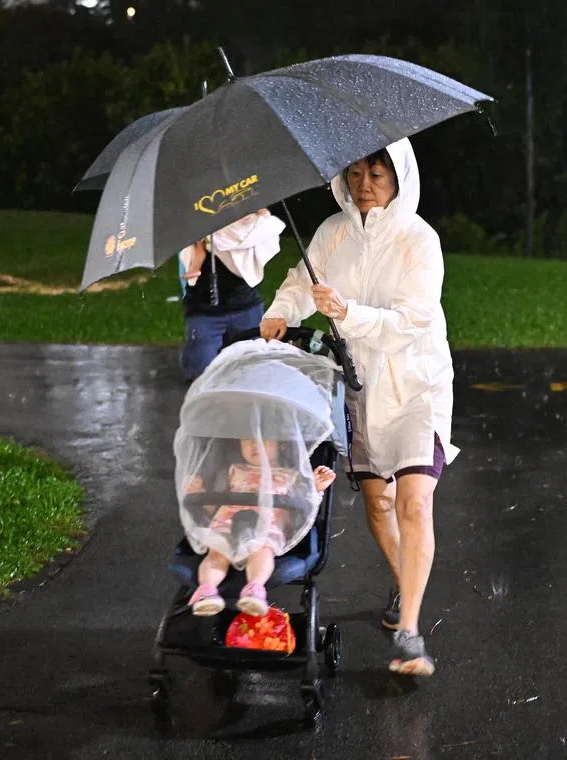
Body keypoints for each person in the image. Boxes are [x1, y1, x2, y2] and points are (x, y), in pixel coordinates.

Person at [258, 138, 458, 677]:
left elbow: (412, 321)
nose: (364, 184)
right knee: (378, 506)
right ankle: (403, 575)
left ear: (399, 178)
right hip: (361, 386)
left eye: (377, 173)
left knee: (414, 503)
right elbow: (303, 282)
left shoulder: (420, 240)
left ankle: (411, 632)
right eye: (354, 172)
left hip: (417, 383)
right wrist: (281, 312)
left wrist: (348, 312)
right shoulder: (331, 233)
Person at [183, 437, 336, 617]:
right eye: (247, 440)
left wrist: (315, 489)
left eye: (265, 441)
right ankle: (207, 590)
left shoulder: (291, 476)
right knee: (216, 553)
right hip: (227, 523)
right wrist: (200, 494)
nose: (254, 445)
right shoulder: (234, 470)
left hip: (266, 527)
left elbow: (304, 509)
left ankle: (254, 588)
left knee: (262, 551)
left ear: (280, 445)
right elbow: (214, 507)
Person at [178, 209, 286, 381]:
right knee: (201, 377)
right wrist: (197, 259)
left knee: (249, 375)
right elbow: (188, 275)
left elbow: (269, 234)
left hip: (247, 309)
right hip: (205, 314)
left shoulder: (258, 226)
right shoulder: (198, 228)